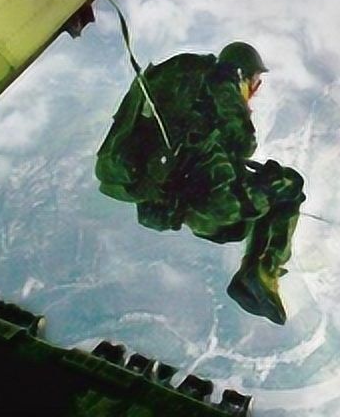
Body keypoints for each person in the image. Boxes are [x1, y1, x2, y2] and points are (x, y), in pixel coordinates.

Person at [95, 42, 305, 325]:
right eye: (255, 83)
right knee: (289, 184)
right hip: (211, 204)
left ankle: (254, 275)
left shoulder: (183, 76)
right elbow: (243, 142)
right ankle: (261, 272)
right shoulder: (222, 81)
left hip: (169, 202)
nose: (254, 91)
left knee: (240, 220)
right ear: (243, 74)